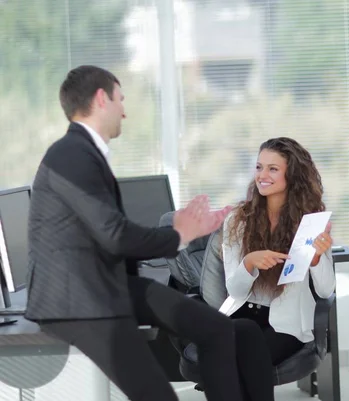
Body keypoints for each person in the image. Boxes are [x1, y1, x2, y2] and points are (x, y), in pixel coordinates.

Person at [25, 65, 274, 401]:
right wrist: (178, 234)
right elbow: (115, 235)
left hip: (106, 284)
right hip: (79, 300)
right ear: (102, 99)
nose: (124, 111)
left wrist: (186, 229)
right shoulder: (71, 154)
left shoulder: (82, 153)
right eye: (120, 99)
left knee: (215, 328)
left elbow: (111, 234)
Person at [219, 137, 335, 371]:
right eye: (259, 167)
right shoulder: (238, 220)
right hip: (241, 314)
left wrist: (315, 259)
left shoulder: (310, 221)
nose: (262, 175)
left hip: (284, 323)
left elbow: (326, 291)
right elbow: (235, 290)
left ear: (292, 175)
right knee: (224, 358)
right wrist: (249, 263)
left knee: (249, 361)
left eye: (273, 169)